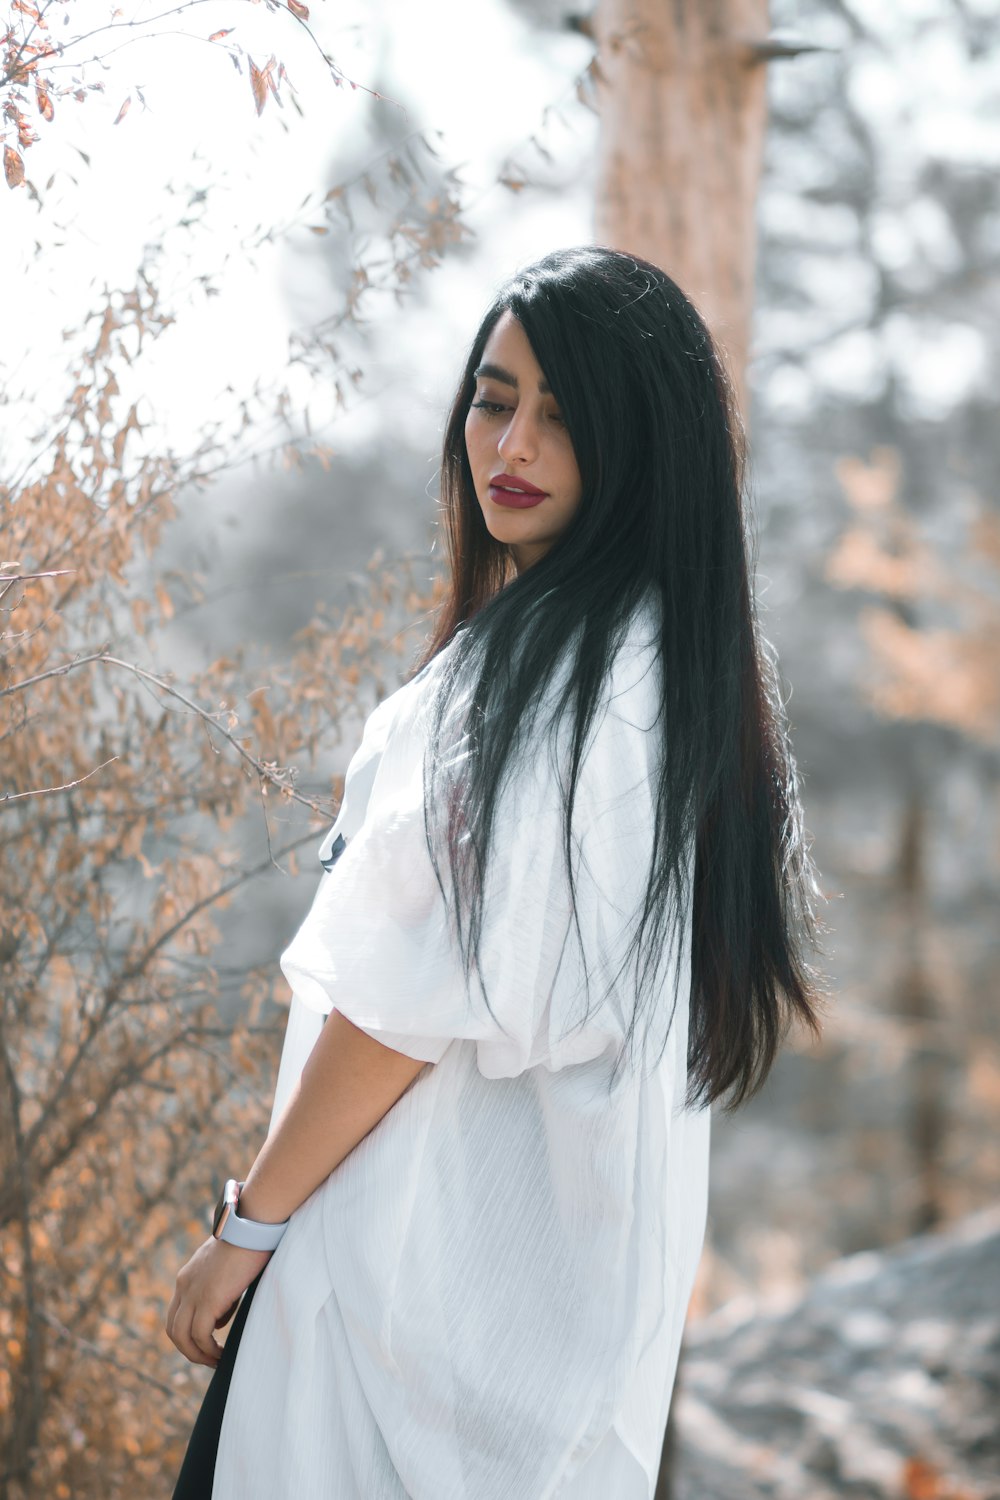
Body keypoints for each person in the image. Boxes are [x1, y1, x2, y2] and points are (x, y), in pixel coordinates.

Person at [166, 244, 827, 1499]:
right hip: (548, 1361)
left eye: (564, 416)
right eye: (492, 397)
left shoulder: (541, 689)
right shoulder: (674, 679)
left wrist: (244, 1230)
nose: (510, 445)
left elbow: (398, 1013)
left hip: (394, 1320)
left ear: (642, 447)